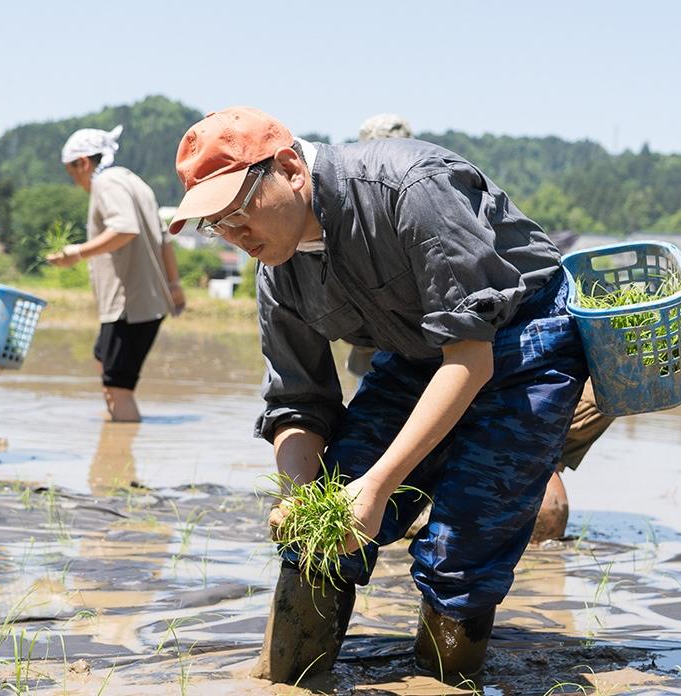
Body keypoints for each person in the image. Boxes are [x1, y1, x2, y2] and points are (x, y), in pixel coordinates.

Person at [168, 107, 589, 683]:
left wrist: (379, 487)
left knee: (463, 548)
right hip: (415, 352)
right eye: (215, 224)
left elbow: (470, 358)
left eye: (239, 212)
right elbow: (298, 399)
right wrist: (299, 495)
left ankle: (445, 679)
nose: (235, 237)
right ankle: (290, 678)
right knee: (317, 537)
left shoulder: (412, 189)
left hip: (522, 343)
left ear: (289, 168)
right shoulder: (277, 270)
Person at [350, 115, 615, 545]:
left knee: (520, 467)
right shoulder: (366, 242)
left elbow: (473, 355)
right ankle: (539, 568)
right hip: (509, 368)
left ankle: (536, 560)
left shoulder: (434, 209)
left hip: (537, 365)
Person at [50, 126, 186, 422]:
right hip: (145, 303)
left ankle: (119, 453)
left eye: (72, 173)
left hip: (128, 306)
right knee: (103, 357)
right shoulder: (135, 182)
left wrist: (77, 253)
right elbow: (165, 241)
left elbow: (124, 228)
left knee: (117, 388)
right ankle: (113, 433)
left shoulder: (106, 184)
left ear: (83, 162)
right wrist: (174, 286)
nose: (74, 182)